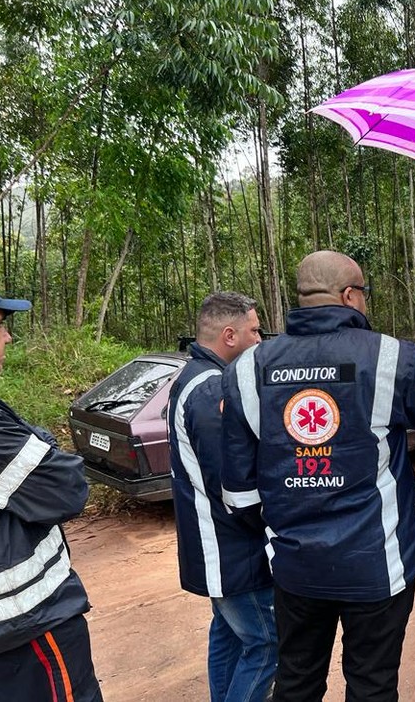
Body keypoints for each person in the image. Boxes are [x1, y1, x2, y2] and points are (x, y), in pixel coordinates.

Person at [220, 251, 415, 702]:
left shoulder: (246, 371)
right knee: (372, 686)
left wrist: (288, 535)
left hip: (295, 570)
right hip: (378, 564)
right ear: (350, 295)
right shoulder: (389, 357)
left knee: (296, 682)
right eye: (365, 295)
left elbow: (238, 495)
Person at [167, 292, 275, 702]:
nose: (261, 339)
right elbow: (232, 484)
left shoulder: (195, 375)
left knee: (231, 635)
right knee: (268, 643)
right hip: (231, 551)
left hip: (216, 549)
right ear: (230, 335)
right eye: (254, 331)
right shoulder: (212, 391)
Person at [0, 293, 103, 702]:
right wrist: (41, 439)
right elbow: (67, 488)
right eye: (1, 325)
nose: (8, 337)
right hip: (25, 628)